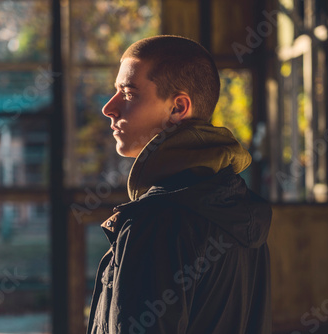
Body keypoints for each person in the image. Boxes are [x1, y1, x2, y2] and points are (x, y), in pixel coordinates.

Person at [87, 35, 272, 334]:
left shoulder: (155, 222)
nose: (109, 108)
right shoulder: (241, 210)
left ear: (178, 108)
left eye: (129, 93)